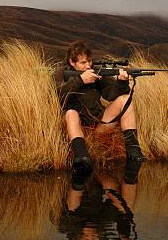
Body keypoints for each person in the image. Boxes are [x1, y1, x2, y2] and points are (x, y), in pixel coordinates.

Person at [54, 40, 145, 173]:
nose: (88, 66)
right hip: (76, 127)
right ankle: (81, 157)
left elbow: (111, 95)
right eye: (83, 62)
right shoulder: (60, 74)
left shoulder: (96, 72)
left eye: (90, 61)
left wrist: (121, 82)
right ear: (72, 62)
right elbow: (57, 94)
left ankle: (134, 151)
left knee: (125, 99)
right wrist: (80, 81)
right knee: (71, 113)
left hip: (99, 125)